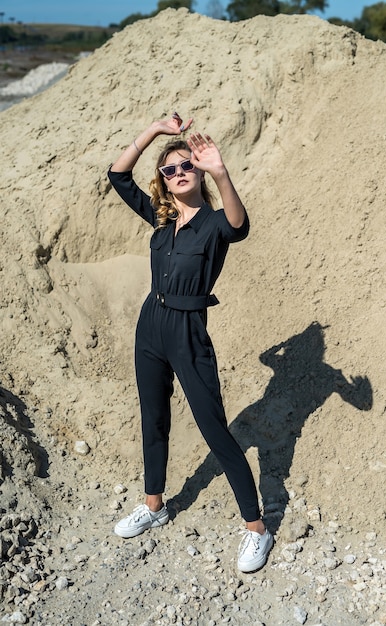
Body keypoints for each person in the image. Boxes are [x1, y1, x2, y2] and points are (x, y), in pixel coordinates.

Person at [107, 112, 273, 573]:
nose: (179, 173)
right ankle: (154, 505)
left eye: (186, 167)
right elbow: (117, 175)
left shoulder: (215, 224)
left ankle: (257, 528)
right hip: (150, 326)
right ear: (163, 179)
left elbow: (240, 225)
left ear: (198, 173)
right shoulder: (160, 219)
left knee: (213, 426)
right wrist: (154, 133)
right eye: (170, 170)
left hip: (188, 331)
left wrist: (221, 172)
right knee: (153, 417)